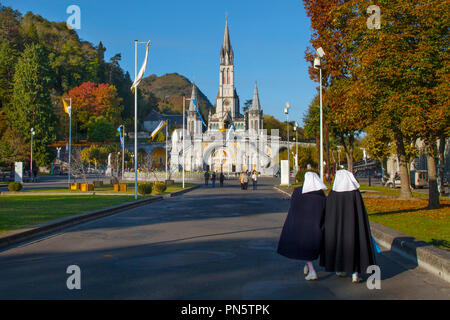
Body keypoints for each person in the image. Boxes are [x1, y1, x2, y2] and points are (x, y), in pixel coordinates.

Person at [319, 169, 377, 283]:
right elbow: (360, 213)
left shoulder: (333, 194)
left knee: (340, 247)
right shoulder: (355, 193)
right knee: (354, 247)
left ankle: (340, 269)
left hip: (338, 228)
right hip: (353, 226)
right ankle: (355, 274)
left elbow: (329, 213)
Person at [277, 172, 327, 280]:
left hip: (302, 225)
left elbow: (293, 207)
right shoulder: (320, 193)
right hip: (316, 224)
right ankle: (308, 266)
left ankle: (312, 270)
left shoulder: (299, 191)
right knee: (313, 248)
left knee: (305, 248)